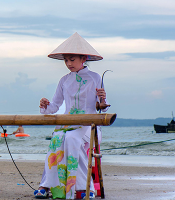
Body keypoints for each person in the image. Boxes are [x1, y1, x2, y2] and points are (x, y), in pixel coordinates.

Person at [34, 32, 109, 199]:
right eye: (66, 60)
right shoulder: (64, 80)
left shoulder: (95, 78)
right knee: (56, 139)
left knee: (72, 139)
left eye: (72, 59)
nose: (68, 63)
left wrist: (102, 100)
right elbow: (55, 106)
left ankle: (83, 187)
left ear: (83, 59)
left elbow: (102, 108)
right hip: (66, 125)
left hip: (88, 127)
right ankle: (47, 186)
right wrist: (45, 105)